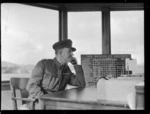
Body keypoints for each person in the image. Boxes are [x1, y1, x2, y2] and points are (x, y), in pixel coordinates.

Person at [24, 39, 86, 109]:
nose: (72, 54)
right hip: (38, 101)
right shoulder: (43, 64)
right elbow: (32, 85)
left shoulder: (66, 69)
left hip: (55, 103)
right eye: (69, 51)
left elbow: (81, 84)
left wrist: (76, 65)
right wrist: (45, 100)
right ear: (61, 53)